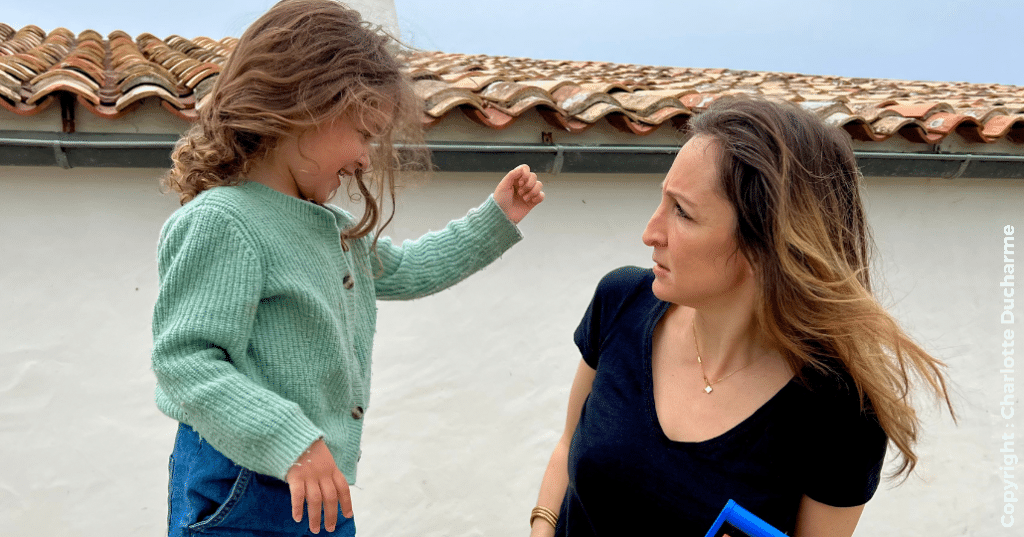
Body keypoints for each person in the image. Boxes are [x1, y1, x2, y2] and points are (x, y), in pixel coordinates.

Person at [151, 1, 545, 536]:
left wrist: (495, 219)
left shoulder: (332, 230)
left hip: (316, 480)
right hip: (242, 484)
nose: (365, 158)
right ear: (303, 106)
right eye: (363, 132)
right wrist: (293, 441)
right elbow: (186, 361)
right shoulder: (224, 221)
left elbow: (411, 267)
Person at [529, 95, 954, 537]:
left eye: (682, 212)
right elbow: (567, 445)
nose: (651, 232)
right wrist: (542, 526)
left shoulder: (839, 409)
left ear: (764, 244)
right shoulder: (620, 302)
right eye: (663, 200)